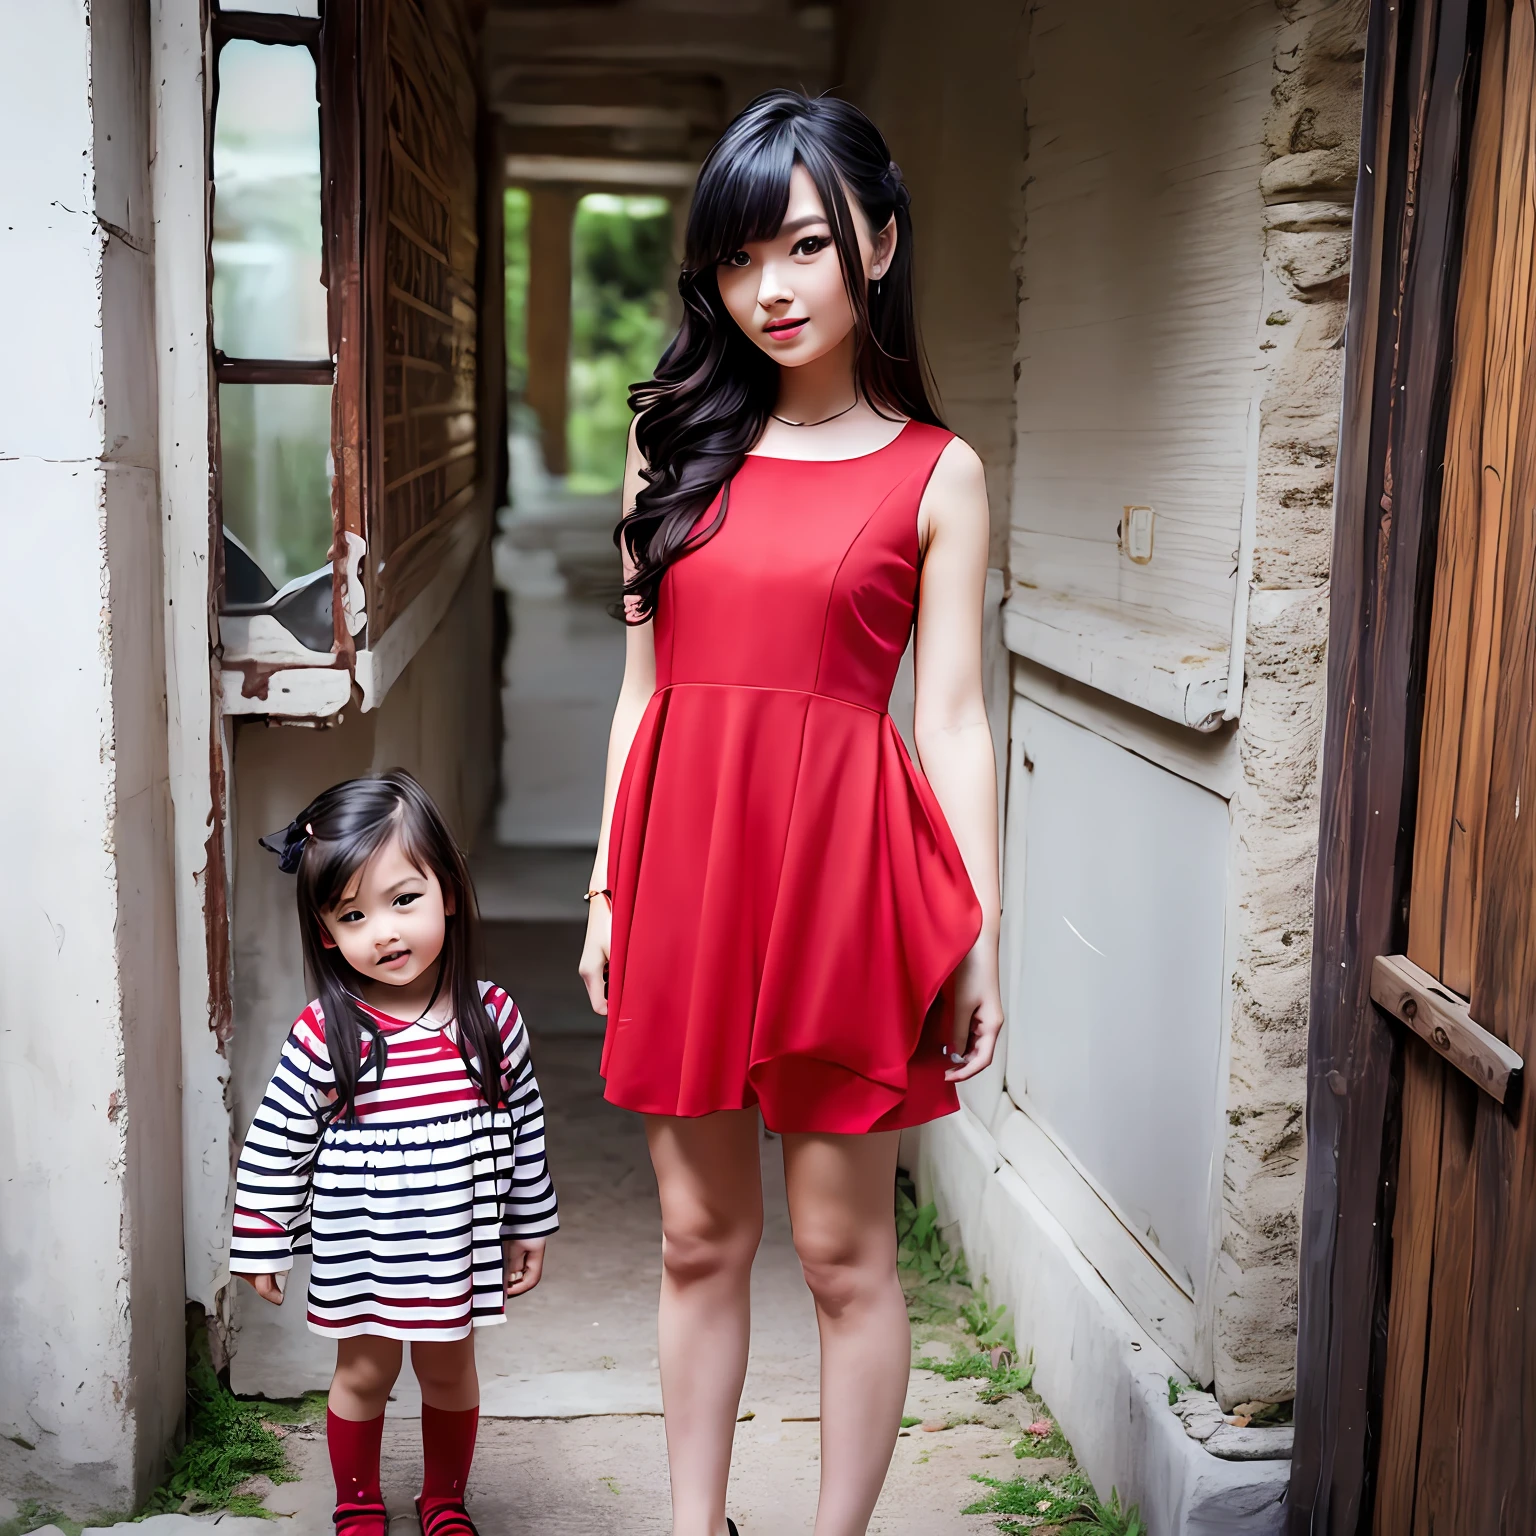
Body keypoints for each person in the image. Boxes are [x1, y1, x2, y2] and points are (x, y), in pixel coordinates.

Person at [578, 90, 1004, 1536]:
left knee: (839, 1253)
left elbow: (949, 717)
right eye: (740, 257)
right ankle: (697, 1525)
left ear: (878, 244)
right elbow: (643, 693)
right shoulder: (669, 441)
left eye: (809, 246)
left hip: (845, 883)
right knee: (700, 1237)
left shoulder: (938, 472)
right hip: (685, 867)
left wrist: (979, 936)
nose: (772, 287)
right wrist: (605, 889)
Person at [230, 770, 558, 1536]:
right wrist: (261, 1238)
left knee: (449, 1368)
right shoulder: (326, 1030)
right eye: (354, 914)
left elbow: (527, 1130)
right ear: (326, 933)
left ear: (447, 891)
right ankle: (357, 1502)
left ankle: (444, 1499)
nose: (384, 931)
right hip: (364, 1246)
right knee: (366, 1372)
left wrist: (527, 1223)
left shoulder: (491, 1018)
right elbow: (278, 1139)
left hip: (454, 1243)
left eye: (403, 900)